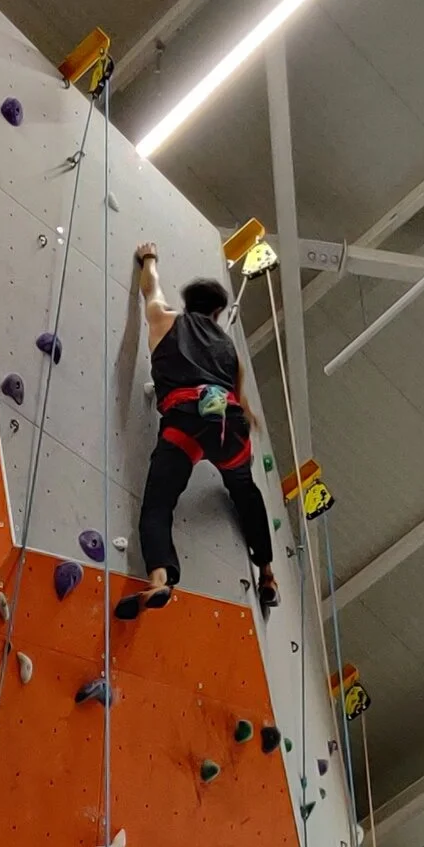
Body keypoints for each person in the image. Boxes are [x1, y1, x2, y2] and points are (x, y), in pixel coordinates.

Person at [129, 245, 279, 617]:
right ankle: (268, 574)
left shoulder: (164, 319)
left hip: (184, 424)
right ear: (217, 313)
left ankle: (160, 579)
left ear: (189, 303)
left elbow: (150, 288)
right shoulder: (230, 351)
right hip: (229, 427)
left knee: (159, 503)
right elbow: (242, 402)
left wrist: (149, 259)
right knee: (245, 492)